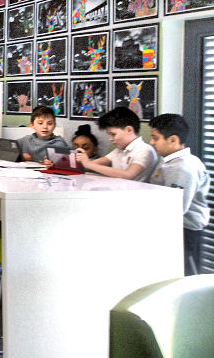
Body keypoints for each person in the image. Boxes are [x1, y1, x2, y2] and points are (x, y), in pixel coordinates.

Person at [148, 114, 210, 275]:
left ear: (173, 140)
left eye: (155, 138)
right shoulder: (169, 161)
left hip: (185, 230)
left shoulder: (183, 167)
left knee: (184, 278)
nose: (151, 142)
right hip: (175, 227)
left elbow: (175, 209)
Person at [76, 107, 158, 181]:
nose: (110, 139)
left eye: (113, 134)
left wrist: (88, 164)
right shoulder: (119, 150)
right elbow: (96, 163)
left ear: (129, 130)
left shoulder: (145, 150)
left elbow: (128, 175)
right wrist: (82, 162)